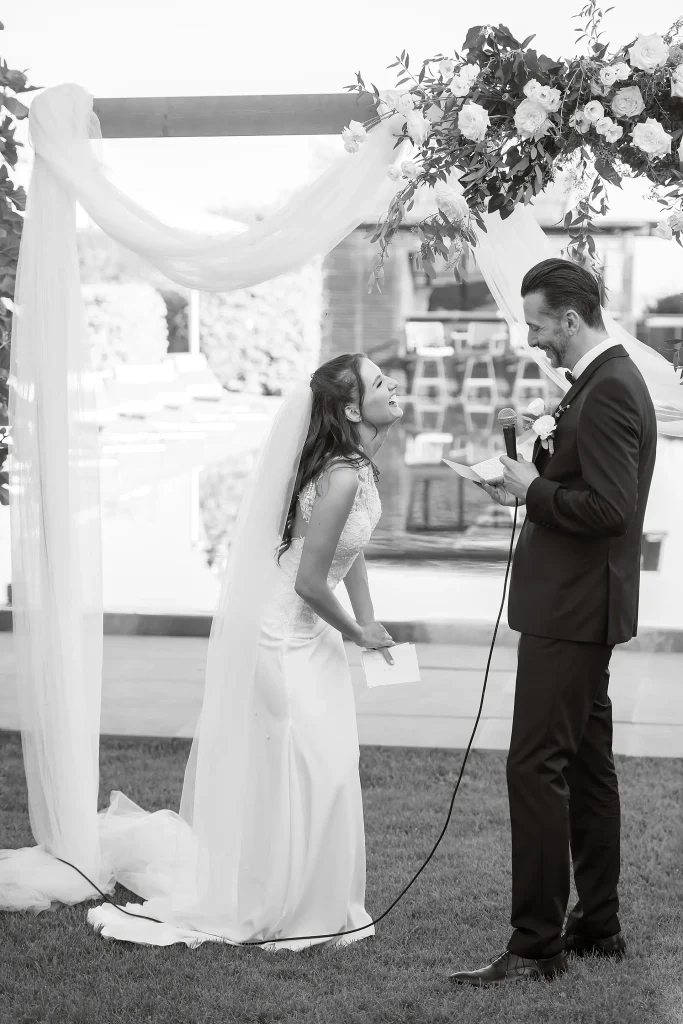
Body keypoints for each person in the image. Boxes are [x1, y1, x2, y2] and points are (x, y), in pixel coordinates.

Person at [88, 352, 402, 950]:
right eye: (379, 381)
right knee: (304, 765)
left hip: (314, 630)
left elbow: (348, 546)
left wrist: (368, 618)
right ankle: (279, 905)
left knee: (329, 764)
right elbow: (310, 581)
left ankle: (319, 898)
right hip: (282, 632)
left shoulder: (359, 463)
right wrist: (357, 634)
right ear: (353, 407)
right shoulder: (339, 474)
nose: (393, 385)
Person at [449, 258, 657, 985]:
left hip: (571, 608)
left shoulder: (607, 390)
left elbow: (607, 511)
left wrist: (533, 488)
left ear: (569, 319)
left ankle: (536, 945)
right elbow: (578, 482)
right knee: (585, 765)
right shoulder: (599, 383)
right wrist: (526, 459)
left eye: (536, 324)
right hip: (577, 603)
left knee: (533, 765)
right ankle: (597, 925)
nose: (531, 337)